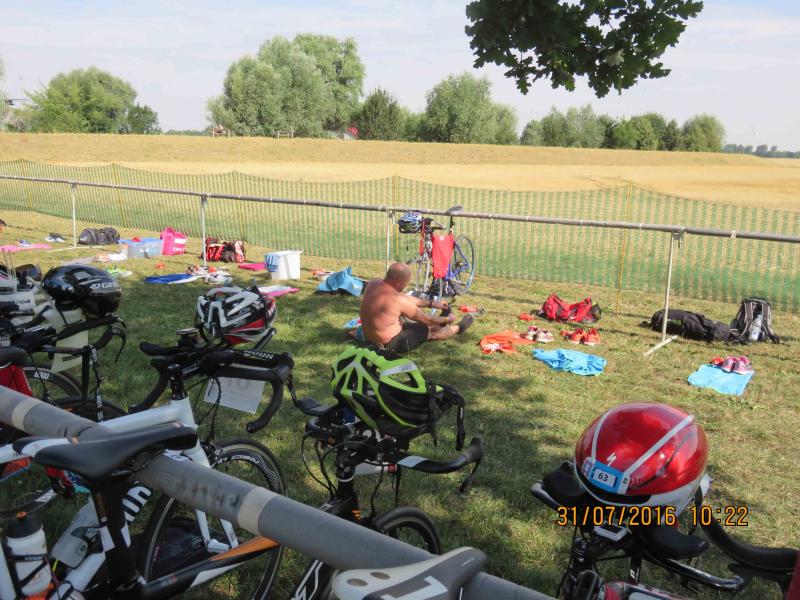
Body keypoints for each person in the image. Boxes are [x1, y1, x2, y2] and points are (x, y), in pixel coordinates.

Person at [359, 263, 474, 354]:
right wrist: (448, 319)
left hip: (371, 337)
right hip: (392, 343)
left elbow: (405, 297)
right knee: (432, 330)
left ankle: (444, 322)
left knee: (425, 325)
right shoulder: (397, 300)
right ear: (398, 282)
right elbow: (428, 320)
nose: (406, 285)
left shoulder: (374, 283)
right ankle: (459, 328)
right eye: (406, 282)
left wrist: (432, 303)